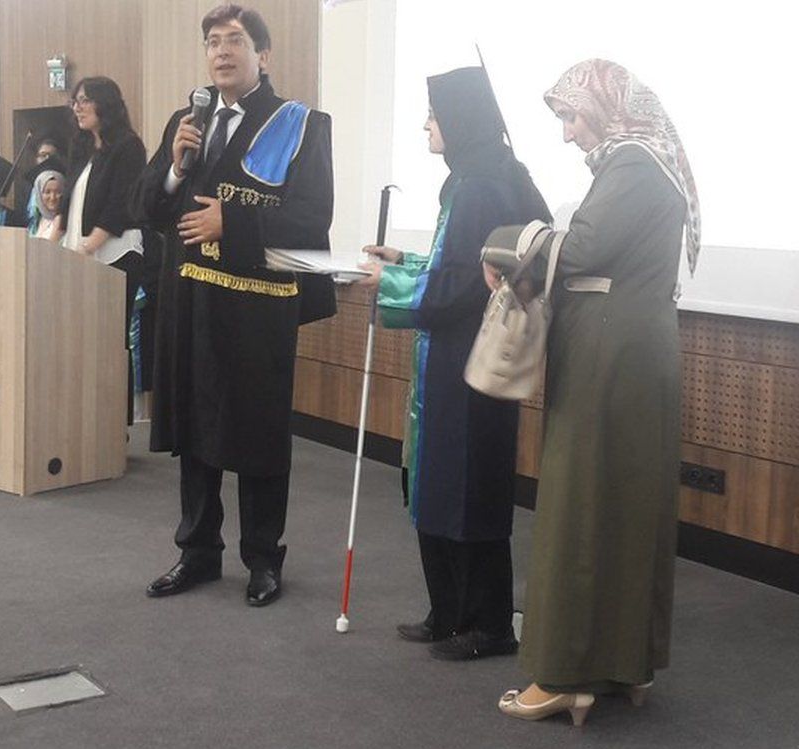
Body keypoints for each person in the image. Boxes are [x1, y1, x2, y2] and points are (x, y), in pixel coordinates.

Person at [493, 59, 699, 726]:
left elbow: (580, 249)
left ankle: (564, 674)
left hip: (611, 366)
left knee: (582, 507)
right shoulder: (646, 161)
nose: (566, 134)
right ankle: (623, 664)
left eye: (572, 116)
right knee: (624, 508)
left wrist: (503, 241)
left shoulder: (635, 164)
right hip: (627, 360)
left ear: (609, 109)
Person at [133, 3, 335, 607]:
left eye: (236, 41)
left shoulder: (301, 124)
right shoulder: (185, 121)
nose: (222, 51)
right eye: (213, 42)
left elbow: (311, 217)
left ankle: (263, 560)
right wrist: (173, 168)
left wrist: (232, 219)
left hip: (257, 309)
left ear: (263, 55)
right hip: (190, 301)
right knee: (195, 431)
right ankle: (197, 551)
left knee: (258, 434)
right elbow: (146, 207)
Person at [357, 67, 551, 659]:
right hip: (452, 360)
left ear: (460, 120)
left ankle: (488, 624)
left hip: (468, 361)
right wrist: (407, 258)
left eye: (434, 115)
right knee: (438, 481)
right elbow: (463, 265)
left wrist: (388, 279)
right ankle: (447, 611)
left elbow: (464, 286)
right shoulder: (478, 176)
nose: (424, 125)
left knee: (469, 488)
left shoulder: (479, 186)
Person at [61, 76, 146, 425]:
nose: (77, 107)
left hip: (114, 256)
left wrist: (88, 247)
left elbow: (121, 203)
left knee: (110, 342)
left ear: (105, 104)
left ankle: (112, 426)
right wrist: (54, 239)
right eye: (75, 101)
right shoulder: (82, 148)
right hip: (79, 255)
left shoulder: (128, 146)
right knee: (79, 342)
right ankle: (82, 419)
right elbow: (70, 202)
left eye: (85, 100)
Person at [23, 156, 66, 241]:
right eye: (47, 192)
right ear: (39, 194)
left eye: (58, 192)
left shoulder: (64, 221)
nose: (52, 197)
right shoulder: (36, 222)